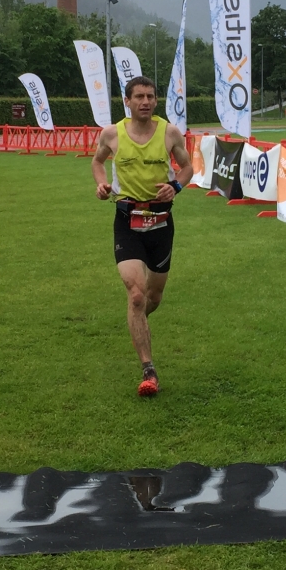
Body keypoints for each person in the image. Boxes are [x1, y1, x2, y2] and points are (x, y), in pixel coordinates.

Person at [91, 75, 194, 398]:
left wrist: (175, 186)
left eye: (150, 96)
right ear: (128, 101)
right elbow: (97, 162)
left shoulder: (169, 132)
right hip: (127, 219)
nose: (146, 102)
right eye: (139, 97)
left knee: (153, 298)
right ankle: (149, 369)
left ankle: (138, 323)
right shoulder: (112, 134)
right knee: (136, 294)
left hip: (161, 222)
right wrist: (101, 184)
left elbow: (188, 167)